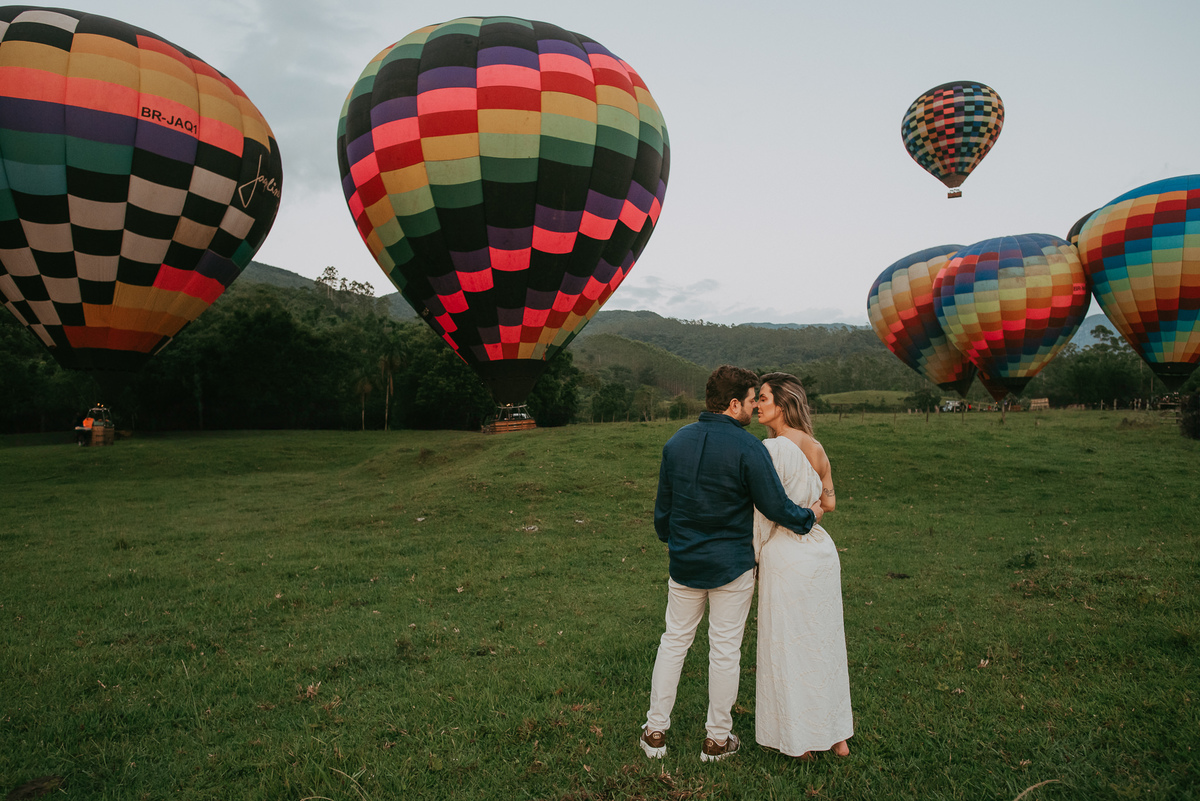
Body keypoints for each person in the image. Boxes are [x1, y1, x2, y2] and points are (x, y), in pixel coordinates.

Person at [641, 365, 823, 763]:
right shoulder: (749, 448)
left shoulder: (675, 442)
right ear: (734, 403)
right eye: (752, 398)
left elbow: (662, 513)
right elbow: (775, 506)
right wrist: (809, 517)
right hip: (732, 566)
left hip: (685, 564)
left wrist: (674, 541)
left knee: (673, 642)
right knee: (724, 651)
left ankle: (655, 732)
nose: (755, 405)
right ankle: (717, 740)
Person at [752, 372, 853, 760]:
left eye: (762, 398)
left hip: (787, 556)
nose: (757, 405)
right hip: (821, 556)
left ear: (782, 404)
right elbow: (829, 504)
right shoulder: (815, 446)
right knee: (824, 644)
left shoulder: (773, 450)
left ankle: (800, 741)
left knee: (790, 648)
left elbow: (763, 515)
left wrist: (756, 556)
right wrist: (810, 512)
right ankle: (837, 736)